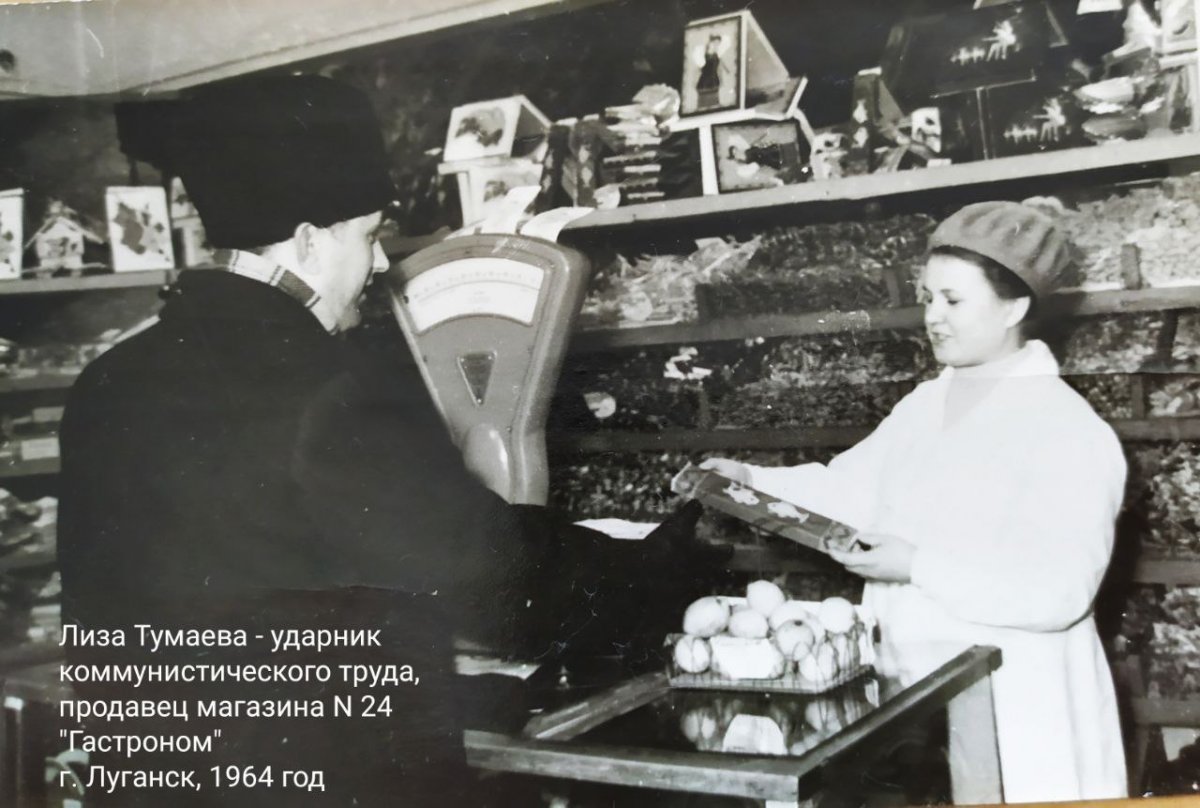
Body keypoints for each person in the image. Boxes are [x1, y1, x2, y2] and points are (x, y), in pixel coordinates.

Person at [58, 75, 720, 807]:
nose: (378, 264)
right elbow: (489, 575)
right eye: (369, 236)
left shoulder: (104, 383)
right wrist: (659, 569)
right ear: (308, 239)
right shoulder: (326, 388)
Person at [695, 201, 1127, 803]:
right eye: (928, 298)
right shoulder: (925, 404)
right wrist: (749, 479)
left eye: (953, 300)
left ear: (1014, 307)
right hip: (917, 701)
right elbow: (849, 488)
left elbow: (1061, 591)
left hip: (1018, 696)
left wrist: (917, 565)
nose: (932, 317)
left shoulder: (1068, 431)